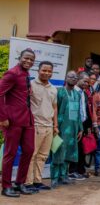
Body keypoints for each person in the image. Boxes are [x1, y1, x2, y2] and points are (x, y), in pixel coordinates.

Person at [0, 49, 36, 197]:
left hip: (27, 119)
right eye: (26, 58)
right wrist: (2, 117)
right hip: (12, 120)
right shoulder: (12, 73)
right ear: (20, 58)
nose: (28, 61)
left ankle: (20, 183)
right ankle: (6, 186)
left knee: (29, 150)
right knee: (10, 153)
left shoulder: (26, 74)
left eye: (31, 60)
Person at [25, 61, 57, 192]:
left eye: (49, 71)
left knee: (43, 155)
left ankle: (38, 180)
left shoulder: (53, 89)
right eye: (44, 70)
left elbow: (55, 107)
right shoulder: (31, 85)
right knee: (31, 155)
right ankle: (28, 183)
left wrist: (55, 125)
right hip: (35, 125)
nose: (47, 73)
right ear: (38, 70)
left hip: (49, 126)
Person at [51, 71, 83, 188]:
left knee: (69, 152)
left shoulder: (78, 94)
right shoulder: (59, 92)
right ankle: (55, 178)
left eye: (75, 77)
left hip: (73, 127)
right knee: (58, 151)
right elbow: (54, 110)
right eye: (71, 76)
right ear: (66, 78)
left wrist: (80, 128)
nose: (73, 79)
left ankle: (64, 176)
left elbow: (78, 112)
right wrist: (55, 126)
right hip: (61, 127)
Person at [68, 72, 91, 181]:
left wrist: (86, 126)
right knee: (74, 149)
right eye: (84, 81)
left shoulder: (84, 93)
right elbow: (73, 111)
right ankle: (72, 171)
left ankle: (79, 170)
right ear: (78, 79)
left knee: (81, 150)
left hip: (83, 124)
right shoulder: (73, 92)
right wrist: (76, 127)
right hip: (74, 125)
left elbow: (84, 110)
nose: (86, 83)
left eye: (88, 82)